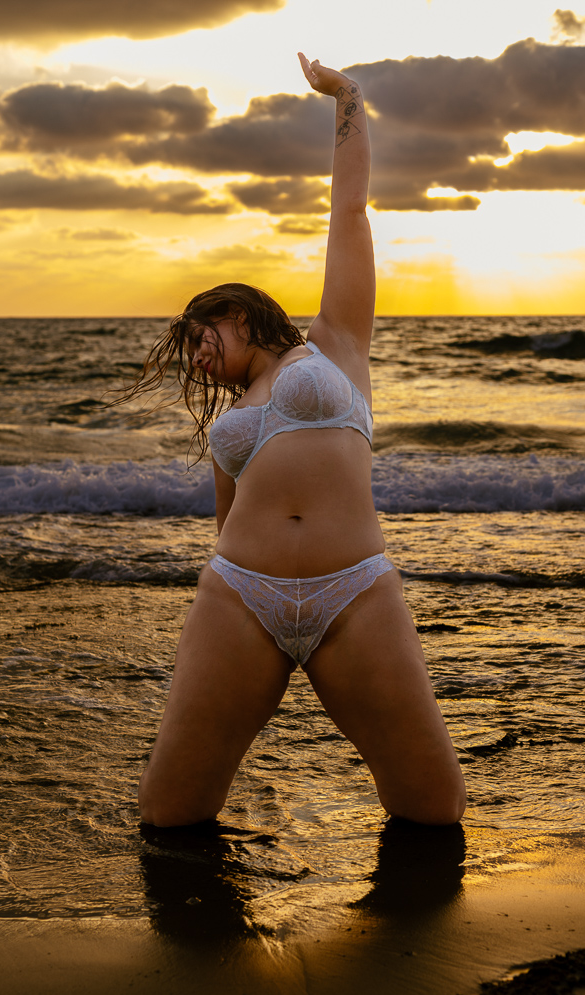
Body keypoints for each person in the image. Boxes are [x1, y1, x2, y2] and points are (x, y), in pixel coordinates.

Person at [134, 54, 466, 827]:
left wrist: (347, 97)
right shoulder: (231, 423)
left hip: (355, 590)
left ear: (239, 314)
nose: (198, 359)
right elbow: (228, 520)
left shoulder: (335, 344)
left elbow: (349, 211)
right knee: (169, 811)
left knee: (433, 805)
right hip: (238, 596)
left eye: (201, 338)